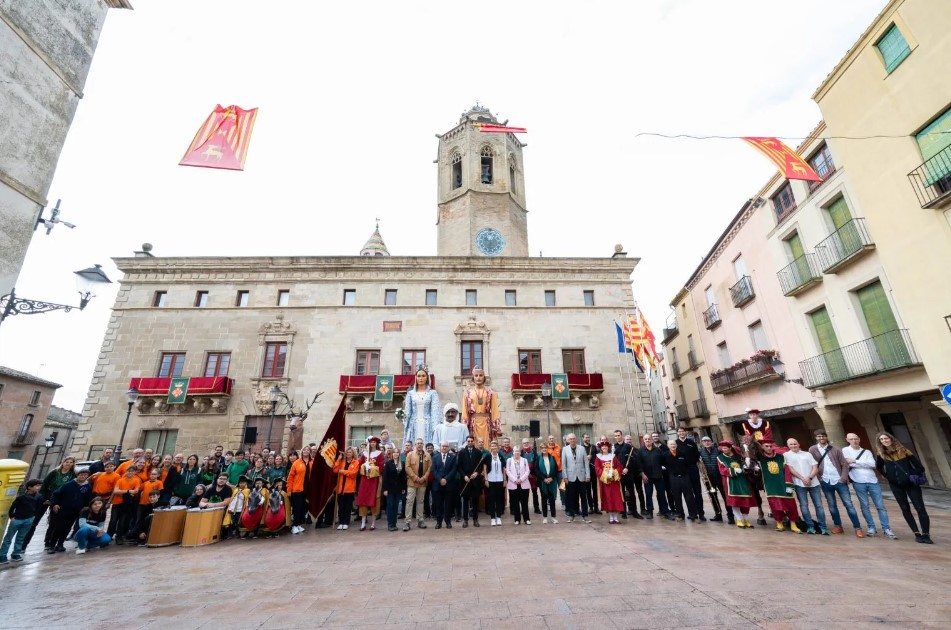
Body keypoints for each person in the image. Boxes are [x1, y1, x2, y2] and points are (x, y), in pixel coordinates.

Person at [876, 432, 931, 544]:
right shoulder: (881, 454)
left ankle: (926, 534)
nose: (884, 441)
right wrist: (889, 477)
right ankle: (916, 533)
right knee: (905, 508)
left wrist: (910, 475)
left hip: (911, 484)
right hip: (896, 486)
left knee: (920, 508)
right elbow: (879, 467)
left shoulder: (904, 451)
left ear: (891, 439)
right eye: (881, 439)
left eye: (885, 438)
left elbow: (920, 468)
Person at [809, 429, 864, 538]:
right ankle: (838, 525)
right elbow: (812, 464)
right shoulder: (812, 449)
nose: (821, 438)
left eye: (823, 436)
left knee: (849, 505)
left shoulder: (835, 449)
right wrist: (820, 478)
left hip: (839, 480)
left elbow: (844, 464)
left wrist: (843, 478)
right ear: (816, 438)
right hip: (825, 481)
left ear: (826, 437)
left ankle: (858, 528)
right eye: (819, 436)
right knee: (832, 505)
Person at [843, 433, 896, 539]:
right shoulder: (845, 450)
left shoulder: (866, 451)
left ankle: (886, 528)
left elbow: (872, 464)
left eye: (856, 438)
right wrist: (862, 463)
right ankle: (871, 527)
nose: (854, 441)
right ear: (847, 440)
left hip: (872, 481)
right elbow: (847, 463)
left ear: (859, 439)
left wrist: (854, 461)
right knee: (864, 506)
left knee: (880, 506)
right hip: (858, 481)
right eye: (851, 439)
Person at [23, 456, 75, 552]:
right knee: (34, 521)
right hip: (45, 499)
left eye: (71, 462)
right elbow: (44, 486)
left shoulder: (72, 475)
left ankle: (48, 543)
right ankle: (24, 545)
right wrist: (45, 499)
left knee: (53, 523)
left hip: (58, 501)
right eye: (67, 462)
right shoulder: (54, 472)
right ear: (62, 462)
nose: (68, 464)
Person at [784, 438, 828, 535]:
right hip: (799, 484)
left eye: (795, 443)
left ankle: (823, 527)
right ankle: (810, 526)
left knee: (819, 506)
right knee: (804, 505)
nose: (793, 445)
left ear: (799, 444)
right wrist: (803, 479)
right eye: (791, 444)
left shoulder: (807, 454)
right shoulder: (786, 455)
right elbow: (790, 469)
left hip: (814, 483)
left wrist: (810, 478)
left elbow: (815, 467)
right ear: (788, 446)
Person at [47, 466, 95, 553]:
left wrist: (86, 508)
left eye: (85, 475)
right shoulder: (68, 485)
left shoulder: (87, 487)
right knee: (58, 527)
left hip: (75, 511)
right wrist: (55, 504)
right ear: (77, 475)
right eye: (81, 475)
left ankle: (60, 544)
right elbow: (56, 494)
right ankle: (51, 545)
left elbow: (88, 499)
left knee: (67, 528)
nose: (83, 477)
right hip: (63, 509)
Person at [758, 440, 801, 533]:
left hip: (783, 485)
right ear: (762, 447)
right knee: (775, 505)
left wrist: (789, 484)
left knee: (790, 505)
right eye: (766, 446)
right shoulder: (760, 459)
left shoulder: (781, 457)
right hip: (771, 486)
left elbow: (787, 472)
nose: (769, 448)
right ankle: (779, 523)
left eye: (770, 446)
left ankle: (793, 524)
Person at [0, 478, 43, 564]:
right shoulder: (21, 498)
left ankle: (16, 554)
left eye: (39, 486)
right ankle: (2, 555)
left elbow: (38, 508)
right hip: (17, 520)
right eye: (36, 486)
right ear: (29, 487)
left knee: (21, 537)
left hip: (28, 519)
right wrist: (12, 517)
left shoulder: (39, 497)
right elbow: (13, 507)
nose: (38, 487)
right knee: (8, 538)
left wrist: (33, 517)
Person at [716, 441, 758, 528]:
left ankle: (746, 519)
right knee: (735, 501)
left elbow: (744, 465)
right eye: (722, 448)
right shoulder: (720, 458)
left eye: (725, 448)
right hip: (731, 481)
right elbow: (722, 470)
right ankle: (739, 519)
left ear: (730, 448)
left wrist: (747, 467)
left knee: (745, 500)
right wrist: (733, 471)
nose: (724, 450)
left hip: (742, 480)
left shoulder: (738, 456)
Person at [461, 367, 501, 448]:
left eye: (480, 375)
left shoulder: (491, 393)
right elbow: (465, 413)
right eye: (476, 375)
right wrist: (464, 429)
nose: (478, 378)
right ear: (473, 377)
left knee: (488, 446)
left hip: (487, 424)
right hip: (473, 424)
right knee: (474, 447)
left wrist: (497, 427)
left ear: (484, 377)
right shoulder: (467, 393)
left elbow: (495, 411)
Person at [663, 440, 700, 522]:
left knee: (689, 497)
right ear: (668, 446)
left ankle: (693, 515)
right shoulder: (665, 455)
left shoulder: (682, 454)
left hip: (685, 477)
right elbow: (664, 466)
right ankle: (680, 515)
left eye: (674, 444)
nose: (673, 445)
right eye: (671, 444)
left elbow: (687, 464)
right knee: (677, 497)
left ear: (676, 445)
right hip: (673, 478)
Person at [403, 368, 441, 446]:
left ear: (427, 378)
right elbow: (408, 411)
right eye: (419, 376)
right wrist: (405, 421)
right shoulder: (410, 394)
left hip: (428, 424)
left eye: (423, 376)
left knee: (427, 445)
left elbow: (435, 411)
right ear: (416, 378)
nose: (421, 378)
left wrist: (435, 428)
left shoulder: (432, 393)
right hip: (413, 424)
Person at [638, 433, 671, 520]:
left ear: (651, 440)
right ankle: (650, 512)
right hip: (647, 477)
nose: (648, 440)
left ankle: (665, 511)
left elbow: (663, 462)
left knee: (662, 494)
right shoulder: (640, 451)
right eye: (646, 439)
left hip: (658, 476)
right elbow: (639, 464)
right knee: (648, 495)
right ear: (643, 440)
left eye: (649, 439)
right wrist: (642, 474)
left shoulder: (657, 450)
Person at [676, 427, 706, 521]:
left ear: (685, 432)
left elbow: (697, 455)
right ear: (677, 433)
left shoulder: (691, 442)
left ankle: (701, 513)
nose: (681, 433)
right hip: (683, 471)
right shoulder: (675, 443)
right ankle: (693, 514)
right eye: (680, 432)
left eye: (683, 431)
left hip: (693, 469)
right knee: (688, 493)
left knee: (697, 492)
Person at [612, 430, 643, 520]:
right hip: (619, 474)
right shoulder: (613, 447)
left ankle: (634, 512)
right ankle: (623, 511)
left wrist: (627, 468)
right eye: (616, 436)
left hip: (628, 473)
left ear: (622, 436)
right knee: (621, 493)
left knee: (631, 492)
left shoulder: (628, 446)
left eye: (619, 435)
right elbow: (612, 461)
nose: (617, 437)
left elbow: (632, 459)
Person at [356, 436, 384, 531]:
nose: (373, 444)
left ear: (376, 444)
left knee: (374, 500)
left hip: (374, 480)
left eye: (374, 442)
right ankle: (363, 523)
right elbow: (359, 464)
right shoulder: (364, 454)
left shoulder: (380, 454)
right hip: (365, 480)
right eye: (371, 442)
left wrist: (372, 468)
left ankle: (373, 523)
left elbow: (381, 467)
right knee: (363, 500)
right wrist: (364, 466)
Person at [109, 464, 142, 544]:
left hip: (127, 503)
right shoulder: (120, 480)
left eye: (132, 471)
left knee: (122, 521)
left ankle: (119, 536)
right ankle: (109, 535)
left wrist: (123, 492)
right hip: (117, 503)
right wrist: (128, 491)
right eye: (129, 471)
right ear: (126, 472)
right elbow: (116, 491)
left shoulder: (136, 480)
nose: (130, 473)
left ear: (134, 472)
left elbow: (136, 491)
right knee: (113, 520)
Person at [698, 436, 728, 523]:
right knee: (713, 496)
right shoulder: (700, 452)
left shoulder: (718, 451)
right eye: (704, 442)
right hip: (709, 478)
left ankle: (730, 515)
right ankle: (718, 514)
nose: (707, 443)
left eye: (708, 441)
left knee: (725, 495)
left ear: (711, 442)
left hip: (719, 476)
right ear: (702, 443)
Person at [457, 435, 484, 528]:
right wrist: (464, 476)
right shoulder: (461, 452)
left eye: (471, 441)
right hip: (465, 481)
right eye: (468, 441)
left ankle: (475, 519)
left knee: (475, 501)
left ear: (474, 442)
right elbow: (459, 467)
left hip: (475, 480)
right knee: (465, 501)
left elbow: (480, 466)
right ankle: (465, 520)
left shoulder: (478, 452)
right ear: (466, 441)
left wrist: (477, 472)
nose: (470, 442)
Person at [404, 439, 431, 531]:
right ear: (415, 444)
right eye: (418, 443)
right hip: (412, 483)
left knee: (420, 501)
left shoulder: (427, 455)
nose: (419, 445)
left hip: (422, 483)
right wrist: (415, 478)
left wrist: (423, 478)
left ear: (423, 445)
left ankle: (420, 520)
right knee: (409, 501)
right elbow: (407, 467)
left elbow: (429, 469)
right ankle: (407, 522)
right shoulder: (410, 454)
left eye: (421, 443)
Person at [594, 441, 624, 524]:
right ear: (601, 448)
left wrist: (614, 472)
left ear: (608, 448)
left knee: (616, 498)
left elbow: (619, 467)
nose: (604, 448)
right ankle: (611, 516)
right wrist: (606, 474)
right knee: (608, 498)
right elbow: (597, 469)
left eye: (606, 447)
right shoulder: (598, 457)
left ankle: (616, 517)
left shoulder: (613, 457)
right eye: (603, 447)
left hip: (614, 482)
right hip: (605, 483)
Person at [287, 445, 313, 534]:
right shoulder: (296, 462)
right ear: (302, 451)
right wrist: (289, 490)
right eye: (304, 450)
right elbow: (290, 477)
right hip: (297, 490)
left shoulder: (312, 462)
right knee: (297, 509)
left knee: (303, 509)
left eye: (308, 450)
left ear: (310, 452)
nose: (306, 451)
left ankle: (299, 524)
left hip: (307, 490)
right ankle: (294, 525)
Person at [431, 440, 458, 529]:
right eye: (443, 446)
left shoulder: (453, 457)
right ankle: (439, 522)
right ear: (440, 447)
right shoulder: (435, 457)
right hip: (438, 484)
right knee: (438, 504)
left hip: (449, 484)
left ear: (448, 447)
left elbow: (454, 470)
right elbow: (434, 470)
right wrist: (440, 479)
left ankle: (448, 521)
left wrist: (446, 479)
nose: (444, 447)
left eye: (446, 446)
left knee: (448, 504)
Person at [333, 447, 360, 530]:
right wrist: (338, 459)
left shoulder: (356, 462)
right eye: (347, 452)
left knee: (348, 507)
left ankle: (346, 522)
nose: (348, 453)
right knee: (341, 506)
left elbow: (353, 474)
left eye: (350, 452)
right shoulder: (342, 461)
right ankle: (341, 522)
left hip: (349, 488)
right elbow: (335, 470)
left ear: (353, 453)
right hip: (340, 488)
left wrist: (344, 472)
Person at [484, 440, 507, 526]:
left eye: (495, 446)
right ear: (490, 447)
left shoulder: (500, 456)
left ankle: (499, 517)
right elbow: (485, 468)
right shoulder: (487, 456)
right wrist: (486, 480)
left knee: (499, 499)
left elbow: (504, 468)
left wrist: (505, 480)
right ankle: (493, 518)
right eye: (492, 446)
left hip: (500, 480)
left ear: (497, 448)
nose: (494, 448)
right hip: (491, 480)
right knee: (491, 499)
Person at [506, 446, 531, 525]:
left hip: (524, 484)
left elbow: (527, 471)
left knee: (524, 502)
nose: (516, 453)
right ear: (513, 452)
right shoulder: (509, 460)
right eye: (515, 451)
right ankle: (517, 519)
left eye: (518, 451)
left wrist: (521, 479)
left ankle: (526, 519)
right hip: (513, 484)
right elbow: (508, 471)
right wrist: (515, 480)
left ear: (520, 452)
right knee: (515, 503)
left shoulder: (524, 460)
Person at [535, 443, 559, 524]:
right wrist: (544, 478)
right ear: (541, 449)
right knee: (544, 499)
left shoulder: (552, 457)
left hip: (552, 481)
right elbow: (537, 470)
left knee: (552, 500)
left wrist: (551, 478)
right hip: (543, 482)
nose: (544, 449)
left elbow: (556, 469)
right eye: (542, 448)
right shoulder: (538, 458)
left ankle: (553, 517)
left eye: (545, 448)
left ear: (547, 449)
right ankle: (545, 517)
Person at [382, 448, 404, 532]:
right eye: (394, 452)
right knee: (390, 506)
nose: (396, 454)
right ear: (392, 454)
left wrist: (403, 488)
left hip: (398, 489)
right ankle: (390, 524)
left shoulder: (402, 463)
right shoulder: (388, 464)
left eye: (397, 452)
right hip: (390, 489)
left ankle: (394, 524)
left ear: (399, 454)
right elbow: (385, 477)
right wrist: (385, 489)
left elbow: (403, 478)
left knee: (395, 506)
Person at [520, 438, 541, 515]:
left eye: (527, 443)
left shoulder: (533, 452)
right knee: (524, 493)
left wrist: (530, 472)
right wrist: (526, 473)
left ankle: (536, 508)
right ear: (522, 444)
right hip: (524, 476)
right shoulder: (521, 452)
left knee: (535, 492)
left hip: (533, 475)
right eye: (524, 443)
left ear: (529, 443)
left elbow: (536, 462)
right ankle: (524, 509)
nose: (526, 444)